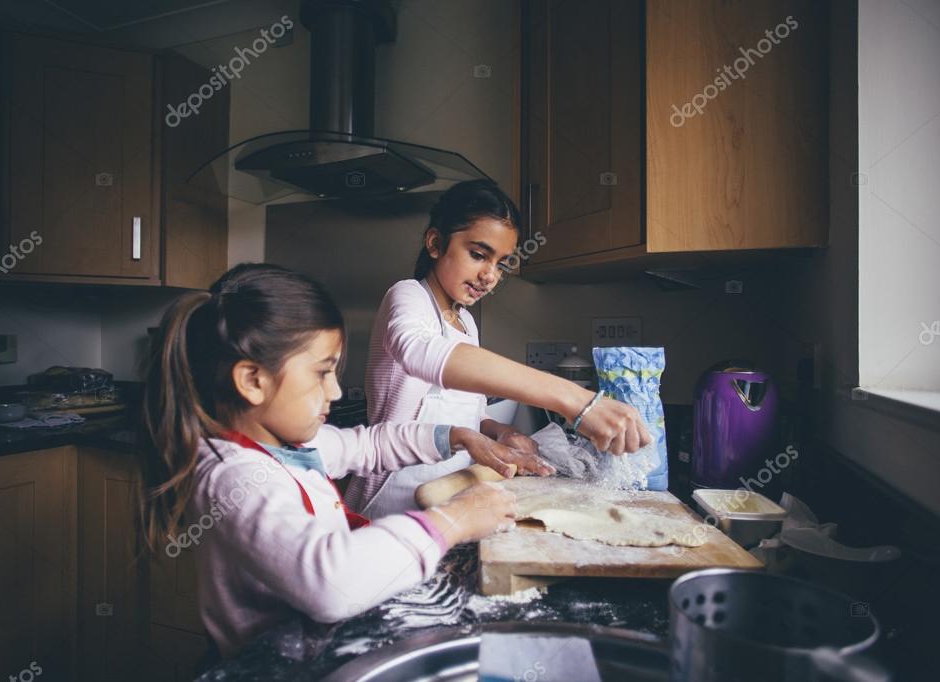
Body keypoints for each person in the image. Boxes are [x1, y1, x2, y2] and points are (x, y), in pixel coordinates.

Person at [136, 263, 553, 659]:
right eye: (322, 373)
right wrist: (454, 520)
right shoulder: (236, 478)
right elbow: (332, 582)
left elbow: (368, 445)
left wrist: (454, 436)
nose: (336, 392)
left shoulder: (289, 444)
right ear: (252, 381)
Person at [346, 180, 652, 517]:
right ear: (435, 243)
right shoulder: (407, 296)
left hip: (450, 499)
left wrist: (504, 433)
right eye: (478, 255)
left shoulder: (466, 323)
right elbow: (420, 352)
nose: (490, 276)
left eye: (502, 264)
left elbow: (471, 414)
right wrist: (576, 401)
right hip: (388, 504)